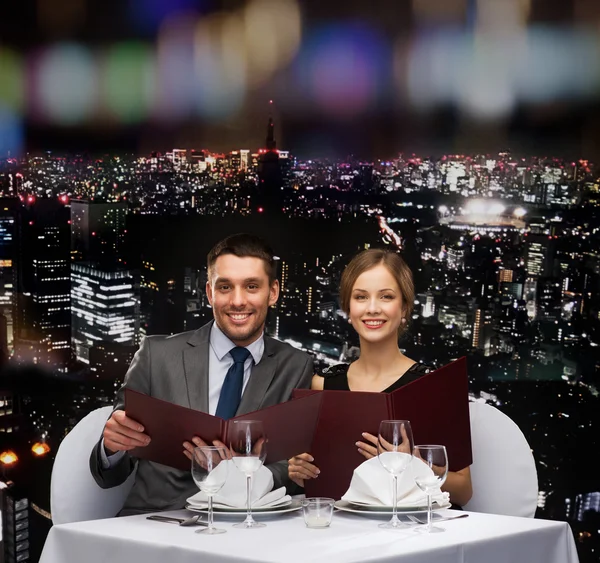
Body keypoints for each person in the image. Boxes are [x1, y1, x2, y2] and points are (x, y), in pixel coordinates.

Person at [90, 233, 314, 515]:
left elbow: (291, 469)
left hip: (248, 529)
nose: (237, 301)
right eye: (225, 287)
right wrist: (111, 448)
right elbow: (109, 474)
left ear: (273, 293)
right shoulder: (156, 356)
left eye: (252, 286)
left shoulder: (296, 365)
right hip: (156, 526)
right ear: (209, 293)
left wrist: (242, 472)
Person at [288, 249, 472, 507]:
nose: (373, 308)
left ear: (405, 307)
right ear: (348, 309)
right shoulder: (322, 385)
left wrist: (409, 464)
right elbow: (320, 479)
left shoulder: (434, 387)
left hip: (412, 533)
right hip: (340, 531)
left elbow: (463, 490)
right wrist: (300, 471)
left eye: (386, 296)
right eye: (361, 297)